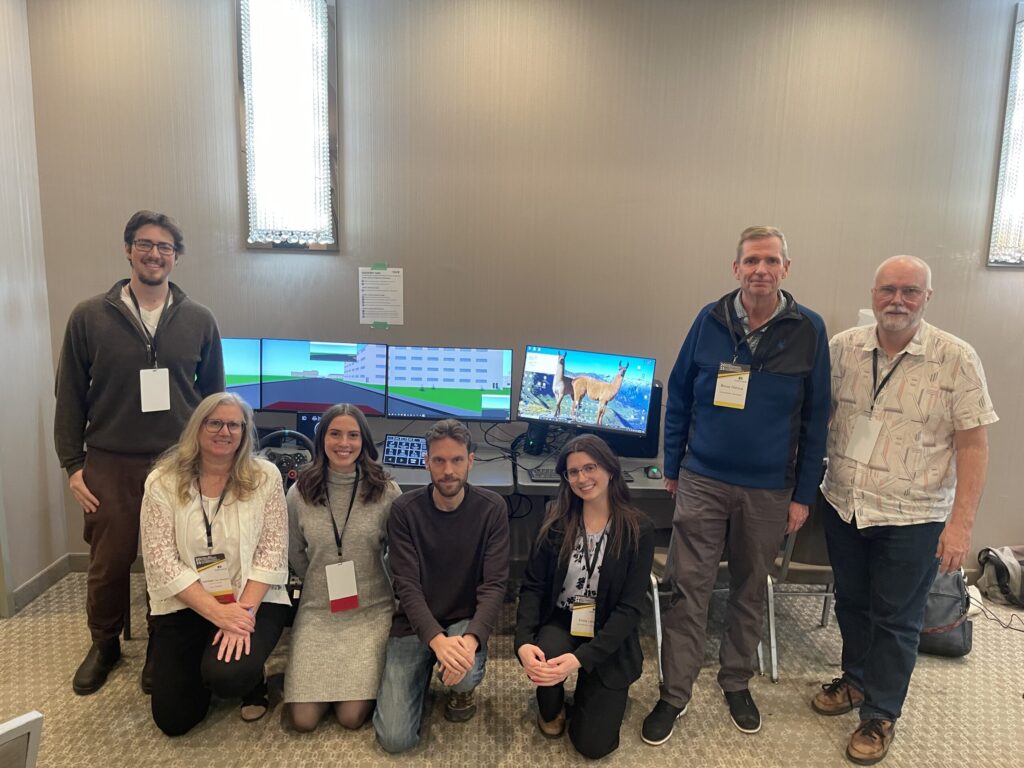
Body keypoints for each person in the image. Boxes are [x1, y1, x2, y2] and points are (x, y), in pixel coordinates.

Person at [643, 225, 830, 744]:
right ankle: (673, 693)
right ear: (736, 268)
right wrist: (674, 467)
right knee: (685, 589)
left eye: (771, 261)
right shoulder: (709, 320)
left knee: (750, 589)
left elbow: (817, 422)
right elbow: (679, 395)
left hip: (769, 489)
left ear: (785, 268)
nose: (760, 270)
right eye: (751, 261)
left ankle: (735, 681)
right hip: (703, 479)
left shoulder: (808, 329)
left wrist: (803, 494)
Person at [812, 255, 996, 765]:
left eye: (910, 291)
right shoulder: (843, 348)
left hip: (913, 516)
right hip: (844, 503)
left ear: (927, 298)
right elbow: (819, 418)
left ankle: (880, 712)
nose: (898, 300)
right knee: (850, 601)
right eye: (888, 289)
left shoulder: (957, 357)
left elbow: (974, 447)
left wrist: (960, 526)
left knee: (896, 617)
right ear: (873, 294)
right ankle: (854, 680)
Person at [53, 210, 224, 695]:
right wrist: (73, 464)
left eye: (165, 247)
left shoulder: (198, 319)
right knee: (109, 561)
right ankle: (104, 644)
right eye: (145, 244)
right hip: (111, 460)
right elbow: (69, 395)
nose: (155, 254)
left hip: (177, 462)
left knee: (170, 560)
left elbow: (213, 398)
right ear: (128, 249)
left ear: (177, 257)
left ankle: (160, 645)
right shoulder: (89, 316)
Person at [140, 393, 290, 736]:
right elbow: (161, 559)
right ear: (198, 427)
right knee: (174, 720)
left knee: (229, 676)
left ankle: (251, 679)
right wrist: (216, 613)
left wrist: (241, 613)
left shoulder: (265, 476)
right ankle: (205, 658)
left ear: (244, 431)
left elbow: (272, 550)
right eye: (215, 423)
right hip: (187, 602)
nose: (225, 431)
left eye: (234, 424)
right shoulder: (162, 481)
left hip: (253, 599)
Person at [373, 419, 510, 753]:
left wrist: (470, 639)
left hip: (464, 622)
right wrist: (437, 642)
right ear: (426, 461)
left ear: (471, 461)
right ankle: (428, 669)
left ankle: (460, 686)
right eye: (439, 461)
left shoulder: (492, 509)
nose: (448, 471)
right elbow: (407, 587)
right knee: (394, 740)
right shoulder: (404, 511)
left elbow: (494, 586)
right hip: (415, 623)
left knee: (463, 673)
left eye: (457, 460)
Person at [515, 434, 654, 759]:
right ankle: (551, 706)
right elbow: (533, 585)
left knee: (592, 746)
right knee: (545, 660)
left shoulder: (638, 529)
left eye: (589, 467)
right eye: (572, 472)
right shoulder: (555, 520)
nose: (582, 478)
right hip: (564, 618)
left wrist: (581, 659)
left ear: (609, 468)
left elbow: (630, 609)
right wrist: (523, 640)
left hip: (609, 632)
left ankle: (592, 689)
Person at [284, 404, 402, 731]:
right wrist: (321, 583)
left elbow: (398, 553)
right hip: (319, 609)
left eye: (353, 435)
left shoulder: (385, 490)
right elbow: (295, 552)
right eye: (335, 434)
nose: (343, 443)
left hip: (371, 609)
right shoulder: (300, 493)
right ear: (322, 438)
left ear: (364, 440)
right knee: (304, 720)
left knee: (350, 718)